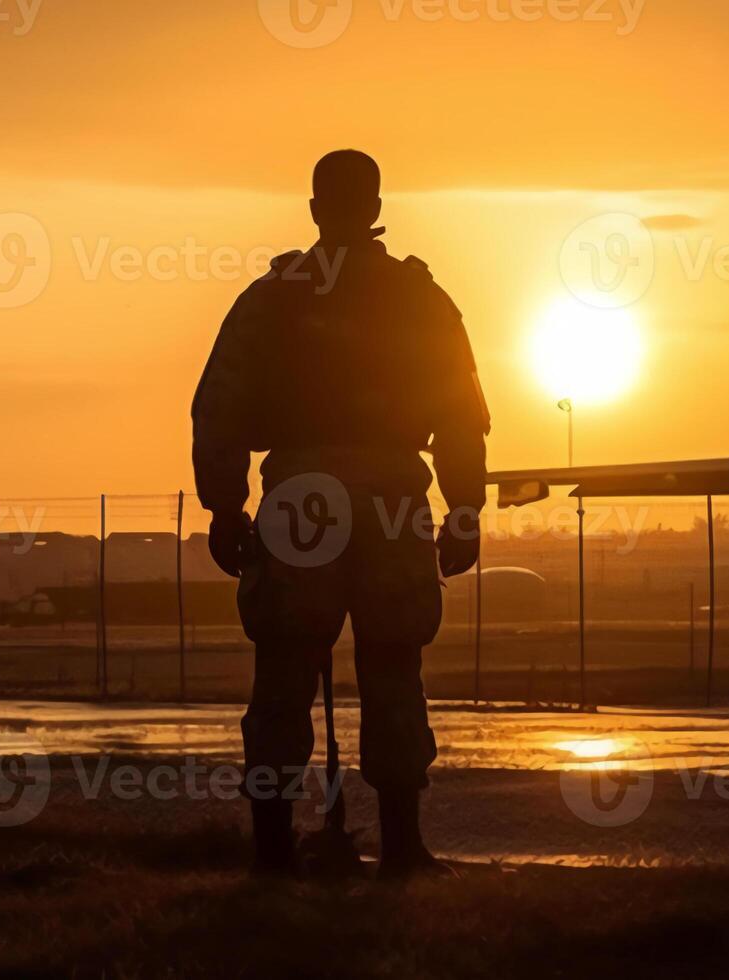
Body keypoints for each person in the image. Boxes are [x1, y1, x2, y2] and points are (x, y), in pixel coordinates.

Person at [193, 149, 488, 880]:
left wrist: (226, 505)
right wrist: (465, 506)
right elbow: (461, 413)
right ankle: (402, 850)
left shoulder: (273, 296)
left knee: (285, 672)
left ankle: (272, 853)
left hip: (298, 493)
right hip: (391, 492)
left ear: (317, 207)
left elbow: (220, 405)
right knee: (393, 663)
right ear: (377, 205)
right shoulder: (418, 296)